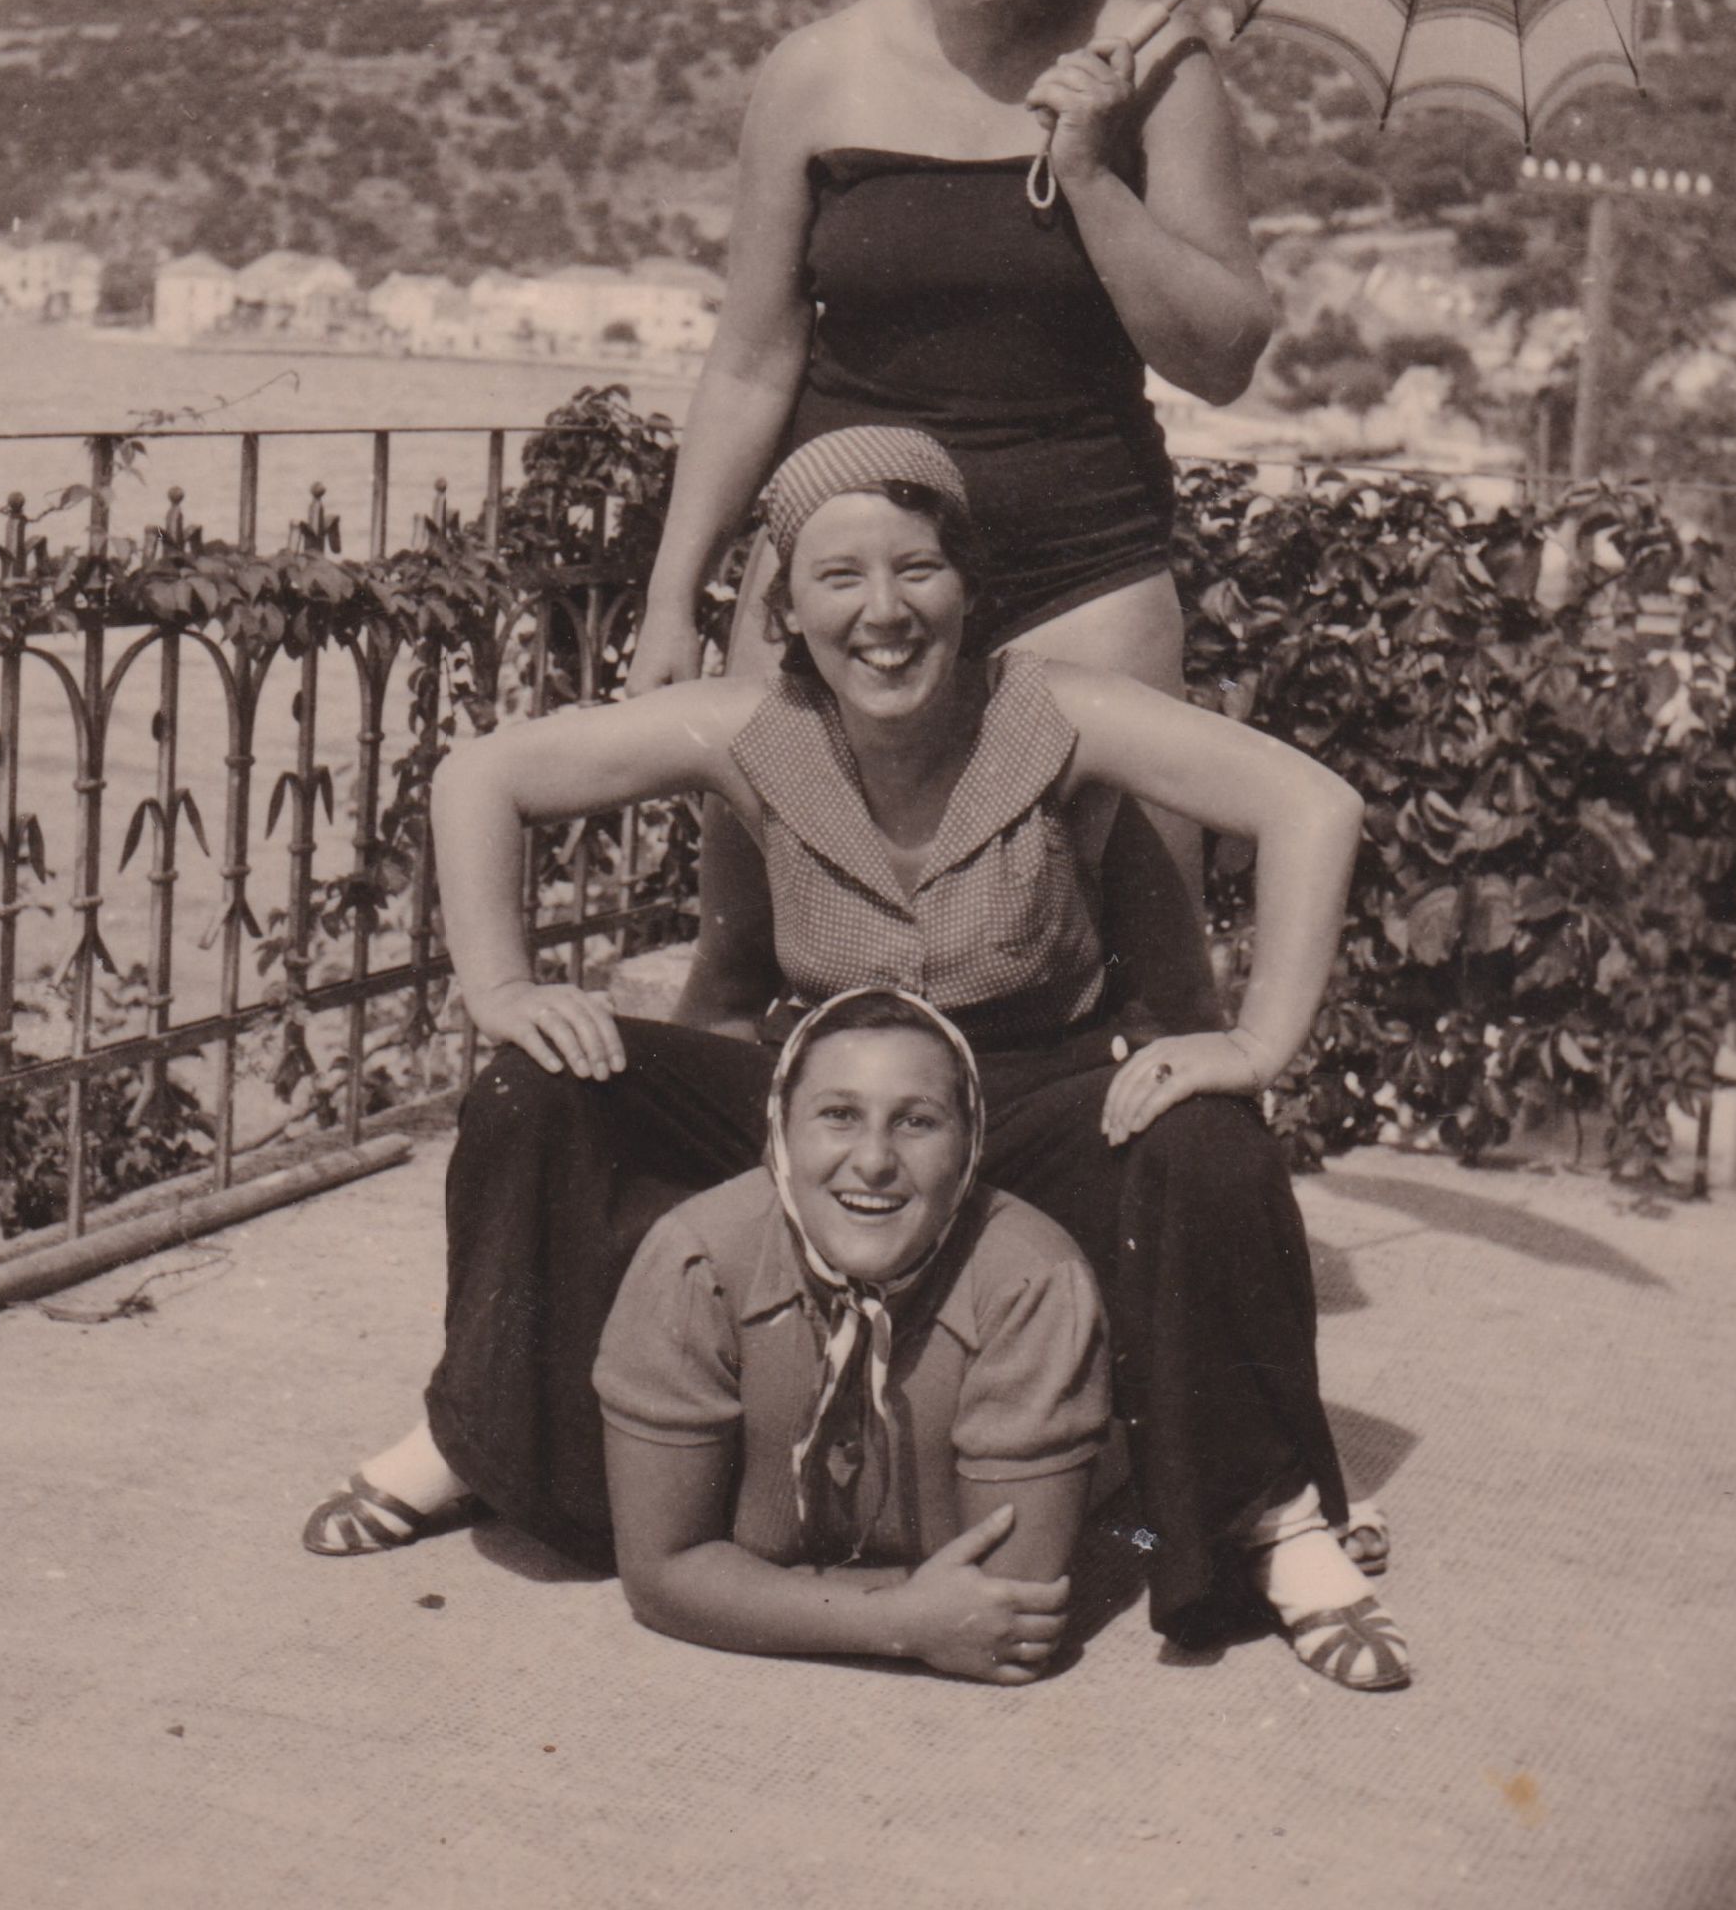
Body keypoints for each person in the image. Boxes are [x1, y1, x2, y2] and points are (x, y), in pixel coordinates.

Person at [303, 427, 1407, 1691]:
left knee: (1210, 1144)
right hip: (821, 1094)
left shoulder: (1055, 711)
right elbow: (480, 775)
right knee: (535, 1085)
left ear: (969, 588)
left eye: (916, 569)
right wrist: (502, 988)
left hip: (1029, 1095)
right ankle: (483, 1437)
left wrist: (1254, 1043)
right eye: (839, 578)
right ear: (789, 610)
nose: (883, 612)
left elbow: (1311, 804)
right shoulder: (752, 728)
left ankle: (1269, 1517)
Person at [620, 0, 1274, 1027]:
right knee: (743, 967)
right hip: (842, 571)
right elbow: (750, 362)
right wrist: (672, 598)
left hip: (1081, 571)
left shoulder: (1157, 64)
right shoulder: (813, 75)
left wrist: (1091, 174)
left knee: (1160, 990)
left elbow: (1223, 355)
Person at [596, 987, 1103, 1685]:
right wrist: (896, 1622)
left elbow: (1005, 1611)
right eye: (838, 1115)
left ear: (969, 1145)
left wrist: (746, 1589)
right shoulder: (695, 1260)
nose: (874, 1160)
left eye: (917, 1122)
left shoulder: (1032, 1280)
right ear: (780, 1134)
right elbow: (660, 1574)